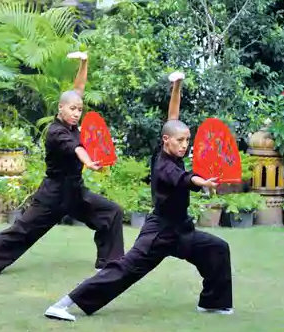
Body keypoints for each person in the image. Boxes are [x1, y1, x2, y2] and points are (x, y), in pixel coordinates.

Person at [44, 72, 233, 322]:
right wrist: (204, 181)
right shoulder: (164, 166)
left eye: (187, 140)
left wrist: (177, 86)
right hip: (159, 234)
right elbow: (186, 179)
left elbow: (172, 116)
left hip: (181, 231)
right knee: (124, 270)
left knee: (217, 249)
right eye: (181, 140)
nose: (185, 144)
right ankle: (64, 304)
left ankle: (213, 302)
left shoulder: (170, 148)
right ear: (166, 141)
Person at [0, 51, 125, 281]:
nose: (76, 113)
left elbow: (78, 89)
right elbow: (77, 149)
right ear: (60, 108)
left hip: (75, 192)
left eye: (79, 110)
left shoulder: (71, 122)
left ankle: (109, 264)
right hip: (53, 194)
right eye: (72, 109)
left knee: (112, 213)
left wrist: (84, 63)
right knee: (24, 230)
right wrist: (89, 162)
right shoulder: (56, 132)